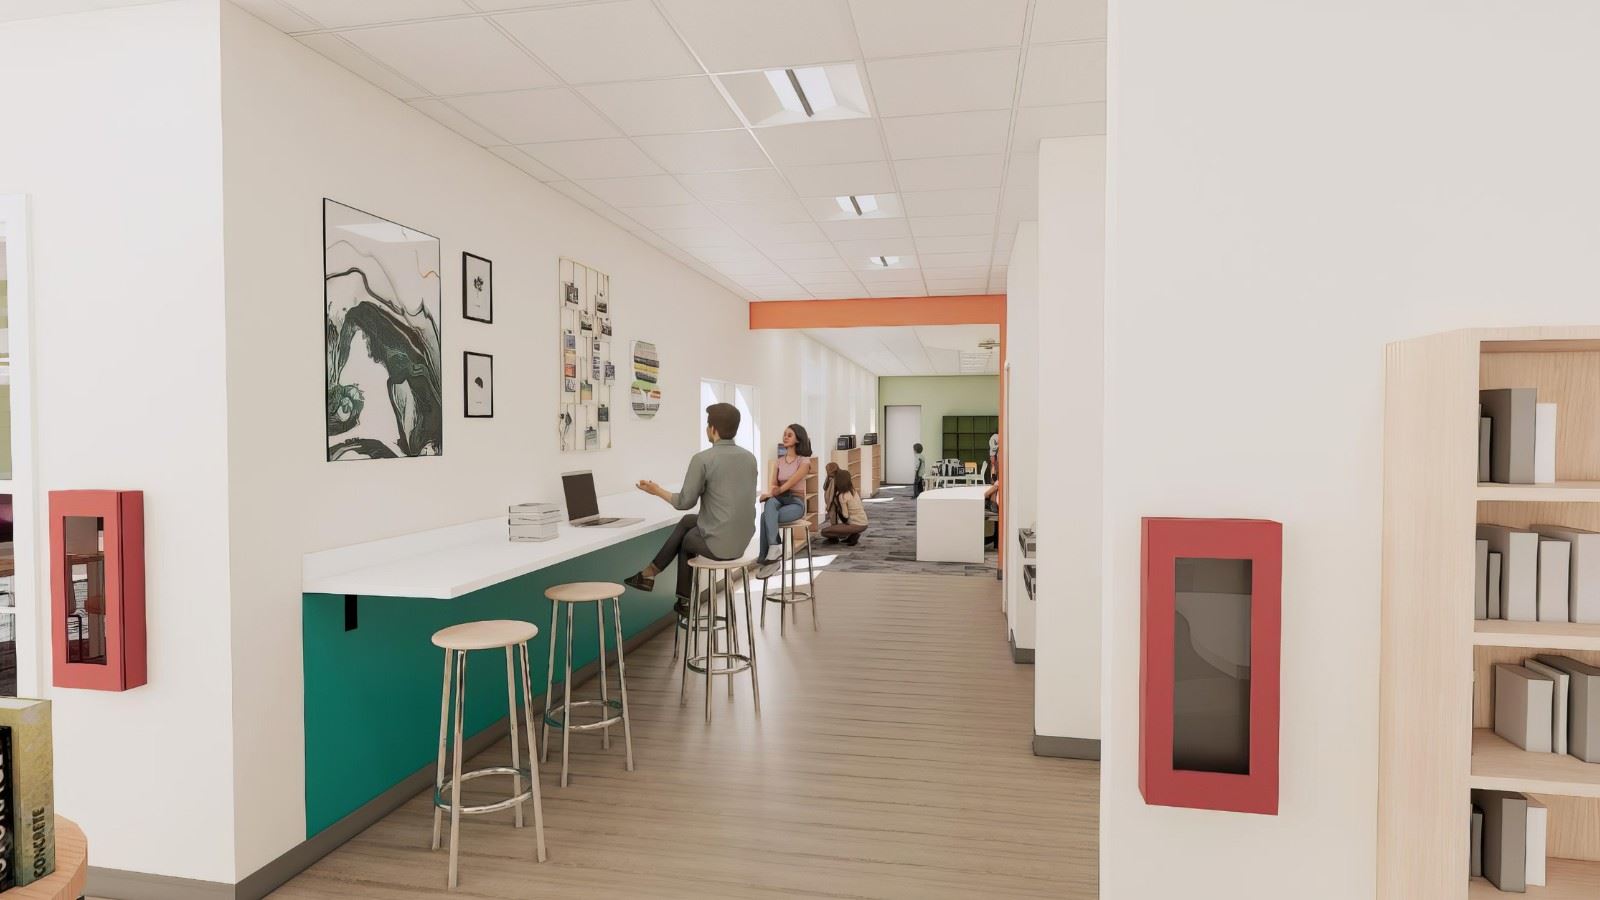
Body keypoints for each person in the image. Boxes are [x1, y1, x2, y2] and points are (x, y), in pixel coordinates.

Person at [625, 402, 757, 602]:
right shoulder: (750, 458)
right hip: (743, 541)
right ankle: (648, 574)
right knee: (688, 521)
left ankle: (684, 599)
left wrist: (656, 490)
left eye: (707, 424)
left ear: (713, 429)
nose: (706, 428)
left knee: (686, 541)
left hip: (720, 547)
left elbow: (684, 502)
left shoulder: (703, 459)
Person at [755, 423, 812, 577]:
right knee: (770, 504)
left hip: (796, 502)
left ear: (798, 439)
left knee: (765, 516)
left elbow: (793, 481)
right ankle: (774, 549)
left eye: (789, 435)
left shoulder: (804, 461)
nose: (785, 437)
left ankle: (767, 559)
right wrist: (772, 492)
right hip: (780, 500)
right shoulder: (779, 462)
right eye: (784, 434)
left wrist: (775, 491)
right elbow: (773, 484)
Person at [821, 468, 868, 546]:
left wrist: (835, 507)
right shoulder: (852, 490)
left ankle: (851, 533)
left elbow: (845, 515)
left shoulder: (842, 496)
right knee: (836, 528)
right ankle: (852, 534)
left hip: (856, 524)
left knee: (824, 531)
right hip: (863, 522)